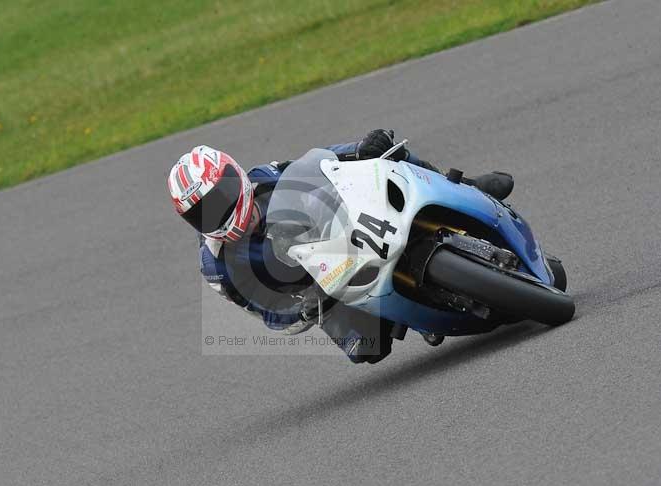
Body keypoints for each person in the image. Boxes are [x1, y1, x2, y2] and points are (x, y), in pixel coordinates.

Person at [167, 130, 513, 364]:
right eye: (203, 212)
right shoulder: (217, 266)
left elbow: (320, 164)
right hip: (324, 288)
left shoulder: (262, 178)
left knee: (389, 156)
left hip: (347, 227)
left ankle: (466, 188)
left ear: (234, 175)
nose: (220, 210)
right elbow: (267, 314)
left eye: (221, 195)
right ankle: (420, 313)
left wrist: (360, 148)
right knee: (367, 348)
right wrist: (304, 309)